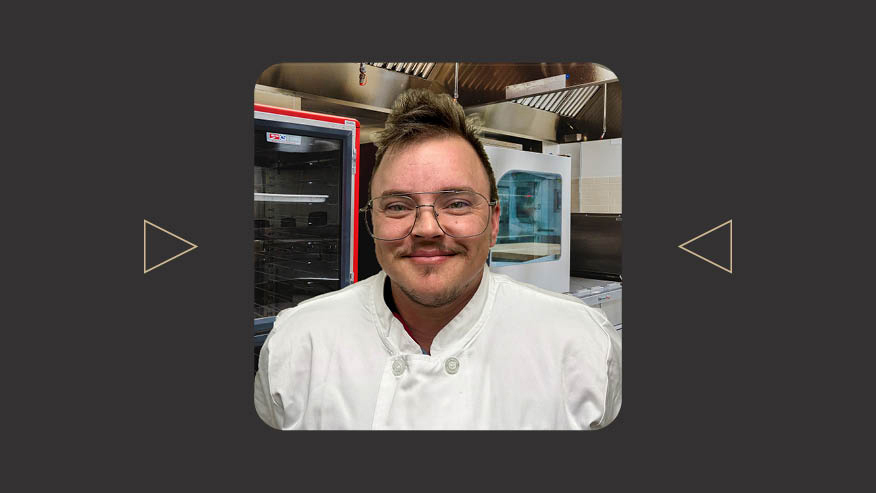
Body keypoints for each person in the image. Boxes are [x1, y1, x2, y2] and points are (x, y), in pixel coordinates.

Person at [254, 89, 621, 430]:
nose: (427, 228)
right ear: (371, 222)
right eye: (398, 206)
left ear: (494, 222)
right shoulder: (297, 345)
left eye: (457, 203)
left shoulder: (583, 348)